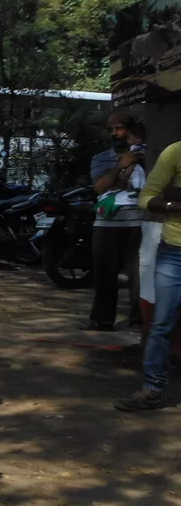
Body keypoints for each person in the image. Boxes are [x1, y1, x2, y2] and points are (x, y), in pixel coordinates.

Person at [117, 130, 181, 410]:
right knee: (163, 322)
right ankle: (152, 389)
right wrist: (175, 205)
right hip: (175, 253)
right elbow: (147, 197)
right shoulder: (175, 151)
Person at [88, 113, 145, 331]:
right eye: (111, 129)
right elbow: (100, 187)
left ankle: (138, 322)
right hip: (106, 224)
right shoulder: (101, 158)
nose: (115, 133)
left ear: (131, 131)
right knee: (104, 275)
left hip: (137, 223)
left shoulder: (146, 155)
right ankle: (101, 320)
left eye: (119, 129)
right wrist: (120, 165)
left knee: (138, 277)